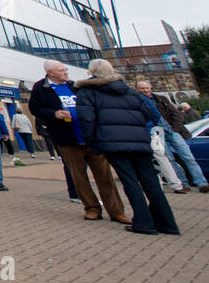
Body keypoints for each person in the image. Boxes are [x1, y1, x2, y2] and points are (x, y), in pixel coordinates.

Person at [76, 59, 178, 235]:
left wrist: (93, 143)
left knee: (130, 182)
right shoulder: (130, 91)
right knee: (151, 182)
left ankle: (144, 223)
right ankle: (167, 224)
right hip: (140, 142)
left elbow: (87, 120)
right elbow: (149, 113)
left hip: (112, 144)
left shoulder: (88, 93)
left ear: (91, 72)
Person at [29, 60, 128, 222]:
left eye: (65, 69)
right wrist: (54, 114)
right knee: (78, 176)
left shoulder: (75, 86)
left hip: (90, 137)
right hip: (67, 138)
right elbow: (35, 109)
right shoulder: (41, 88)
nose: (65, 72)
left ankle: (116, 211)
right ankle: (92, 208)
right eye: (61, 70)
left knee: (104, 175)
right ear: (50, 73)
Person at [144, 82, 208, 192]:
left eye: (147, 88)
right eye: (142, 88)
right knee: (169, 160)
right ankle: (183, 184)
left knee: (188, 158)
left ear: (151, 88)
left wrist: (175, 129)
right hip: (158, 134)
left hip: (171, 131)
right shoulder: (139, 102)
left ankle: (201, 183)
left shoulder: (161, 99)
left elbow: (176, 114)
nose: (145, 90)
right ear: (138, 89)